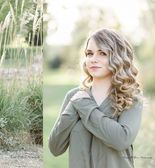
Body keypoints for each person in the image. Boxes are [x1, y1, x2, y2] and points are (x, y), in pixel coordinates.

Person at [48, 28, 143, 168]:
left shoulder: (131, 98)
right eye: (89, 53)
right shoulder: (74, 97)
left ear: (118, 57)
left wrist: (84, 105)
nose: (93, 59)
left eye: (102, 53)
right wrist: (74, 105)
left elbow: (121, 140)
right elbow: (55, 148)